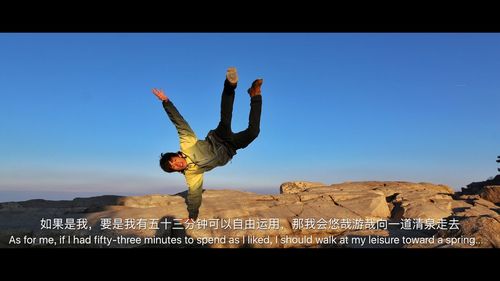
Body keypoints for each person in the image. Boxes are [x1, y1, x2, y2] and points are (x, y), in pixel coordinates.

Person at [152, 67, 263, 221]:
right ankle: (255, 94)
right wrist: (192, 216)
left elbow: (179, 123)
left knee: (225, 118)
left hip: (218, 138)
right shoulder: (192, 175)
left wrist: (166, 102)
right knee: (253, 133)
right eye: (173, 167)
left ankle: (230, 85)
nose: (177, 164)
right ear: (176, 171)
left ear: (177, 155)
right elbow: (194, 194)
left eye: (174, 161)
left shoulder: (187, 144)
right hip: (230, 149)